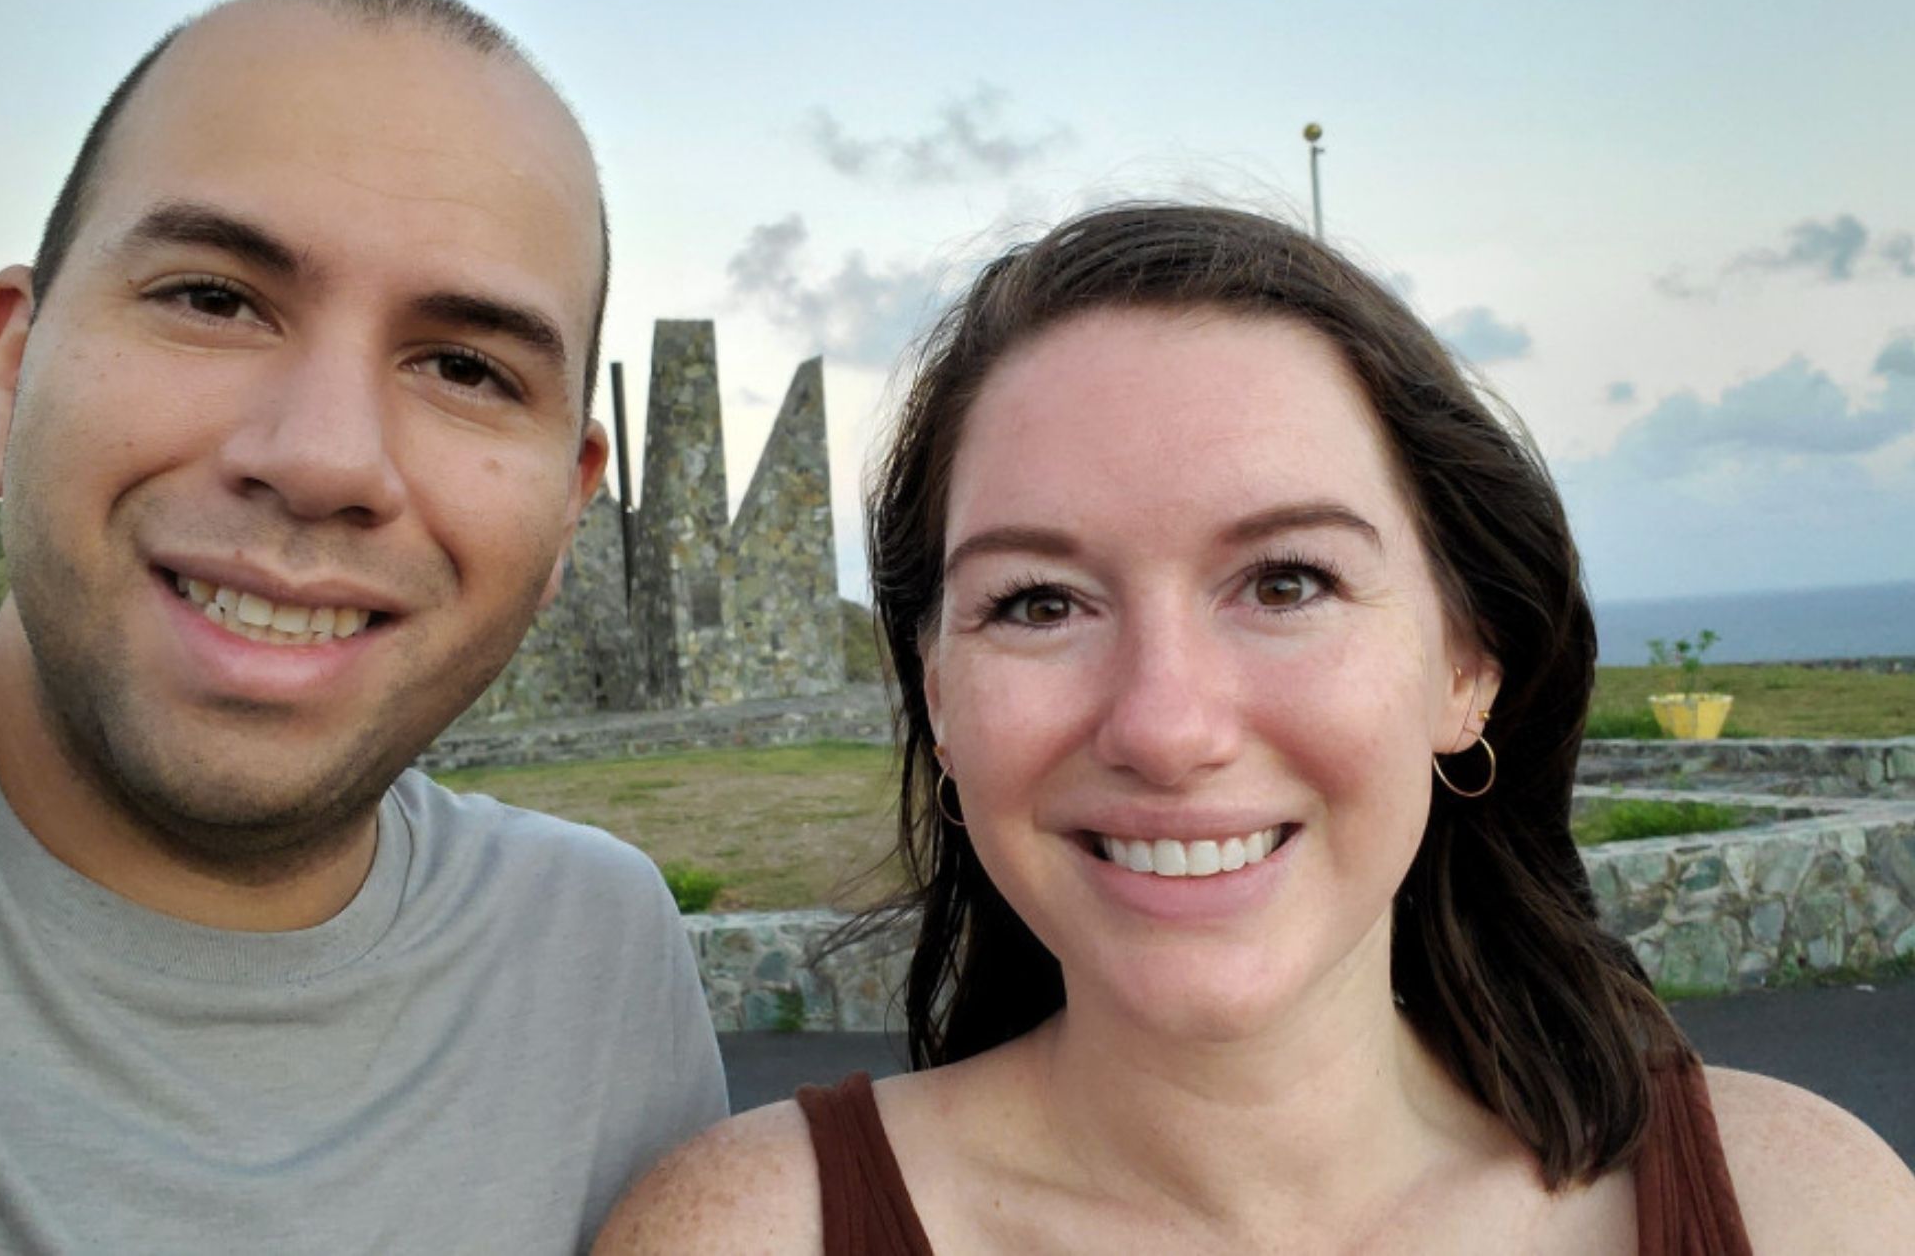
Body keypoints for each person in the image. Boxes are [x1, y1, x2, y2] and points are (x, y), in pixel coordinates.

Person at [597, 204, 1915, 1253]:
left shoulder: (1810, 1212)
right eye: (1039, 601)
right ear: (938, 695)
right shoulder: (747, 1235)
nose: (1168, 725)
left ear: (1466, 665)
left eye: (1287, 581)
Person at [0, 0, 726, 1252]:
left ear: (571, 512)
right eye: (213, 298)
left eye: (464, 367)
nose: (325, 458)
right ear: (11, 371)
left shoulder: (596, 954)